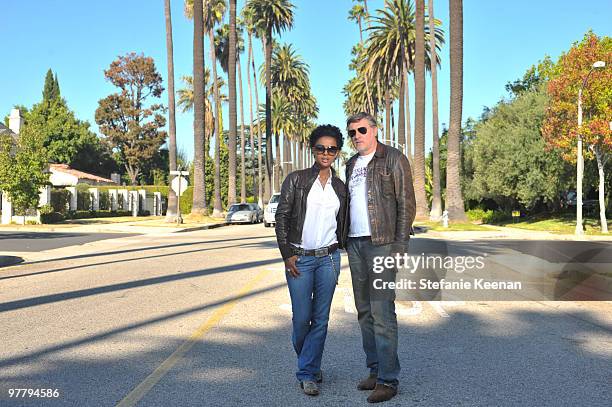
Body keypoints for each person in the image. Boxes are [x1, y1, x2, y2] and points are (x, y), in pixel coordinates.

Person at [344, 112, 416, 403]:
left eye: (362, 130)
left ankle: (389, 380)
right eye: (352, 132)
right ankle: (374, 371)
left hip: (383, 244)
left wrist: (400, 246)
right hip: (355, 244)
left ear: (374, 130)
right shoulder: (350, 165)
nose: (357, 135)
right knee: (363, 311)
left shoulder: (394, 159)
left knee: (382, 313)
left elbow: (406, 204)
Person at [275, 124, 347, 397]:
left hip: (328, 259)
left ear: (337, 152)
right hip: (300, 259)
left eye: (331, 149)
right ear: (313, 149)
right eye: (321, 148)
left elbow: (345, 221)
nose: (326, 153)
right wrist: (287, 254)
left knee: (321, 319)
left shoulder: (340, 187)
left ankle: (307, 372)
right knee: (301, 319)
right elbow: (282, 217)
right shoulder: (297, 180)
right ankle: (310, 363)